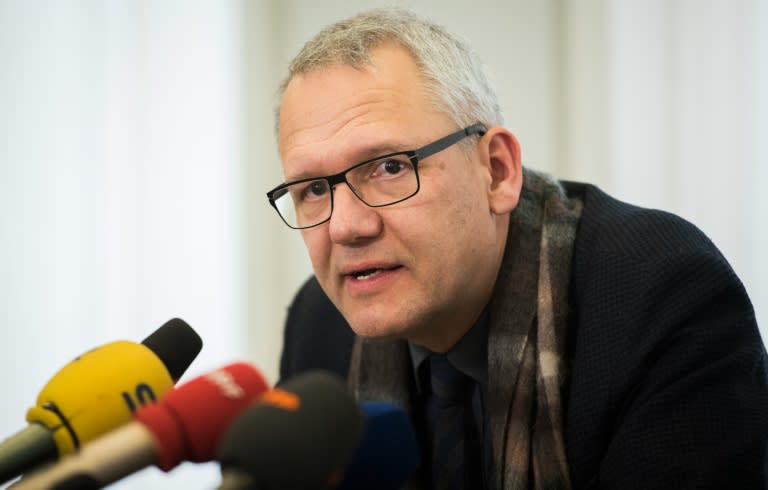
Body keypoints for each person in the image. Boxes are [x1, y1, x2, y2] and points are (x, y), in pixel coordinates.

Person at [271, 8, 768, 490]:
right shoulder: (318, 328)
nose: (345, 227)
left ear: (497, 171)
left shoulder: (660, 296)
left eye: (390, 167)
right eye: (313, 190)